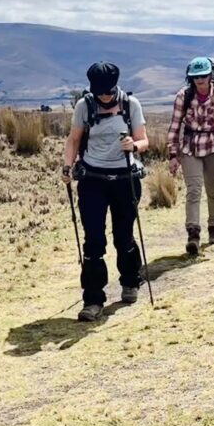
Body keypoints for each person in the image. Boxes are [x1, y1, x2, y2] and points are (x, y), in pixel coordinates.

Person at [62, 61, 149, 322]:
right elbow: (74, 139)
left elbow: (144, 140)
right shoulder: (84, 106)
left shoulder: (131, 105)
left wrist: (133, 145)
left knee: (123, 236)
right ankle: (93, 299)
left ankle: (131, 281)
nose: (105, 96)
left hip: (125, 178)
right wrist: (67, 166)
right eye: (100, 91)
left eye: (109, 91)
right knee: (94, 241)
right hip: (93, 180)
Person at [166, 56, 214, 255]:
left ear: (210, 76)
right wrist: (173, 155)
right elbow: (174, 126)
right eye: (195, 77)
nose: (199, 80)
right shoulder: (184, 96)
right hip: (190, 147)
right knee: (194, 190)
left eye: (203, 76)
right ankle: (193, 235)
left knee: (213, 190)